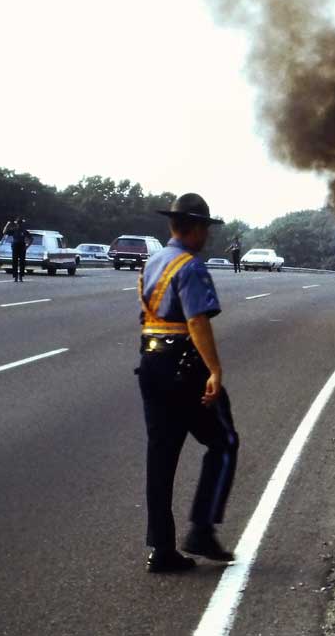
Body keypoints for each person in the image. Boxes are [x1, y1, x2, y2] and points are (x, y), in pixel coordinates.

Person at [138, 192, 238, 573]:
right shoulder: (190, 266)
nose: (207, 237)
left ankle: (162, 550)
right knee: (224, 441)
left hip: (151, 363)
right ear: (195, 228)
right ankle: (202, 529)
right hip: (185, 367)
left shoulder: (153, 261)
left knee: (160, 457)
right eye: (206, 229)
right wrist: (214, 369)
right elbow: (197, 321)